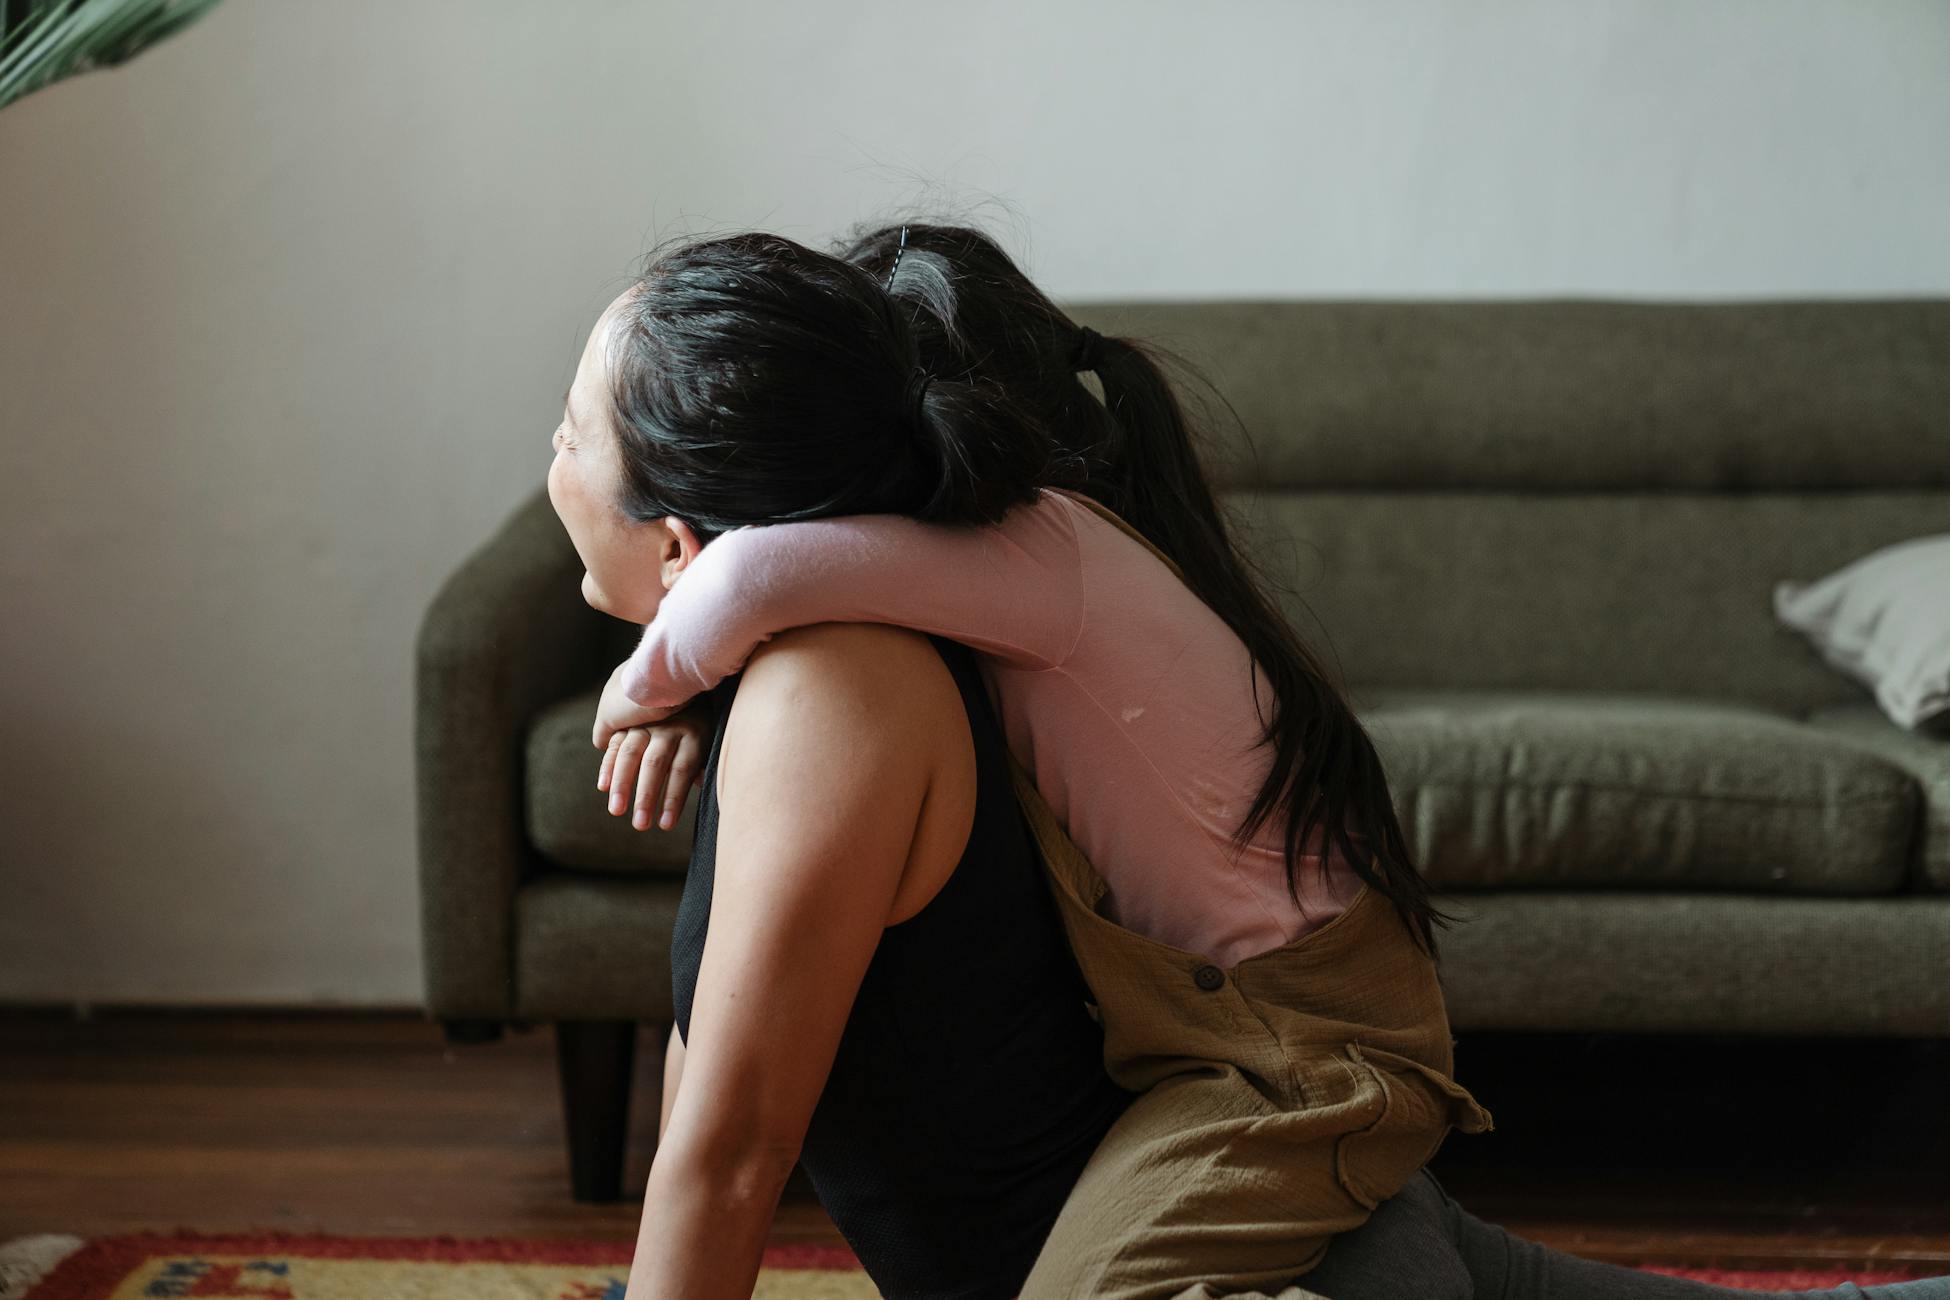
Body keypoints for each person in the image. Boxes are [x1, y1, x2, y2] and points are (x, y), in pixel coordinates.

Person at [557, 220, 1950, 1299]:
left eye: (569, 432)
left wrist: (649, 674)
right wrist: (685, 681)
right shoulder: (872, 642)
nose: (550, 454)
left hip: (1292, 1079)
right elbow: (720, 1067)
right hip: (1286, 1131)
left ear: (688, 541)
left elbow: (731, 1147)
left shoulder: (887, 643)